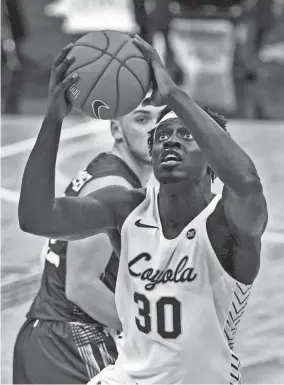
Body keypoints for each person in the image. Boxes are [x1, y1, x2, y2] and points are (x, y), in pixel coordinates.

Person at [18, 35, 268, 384]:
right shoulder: (126, 207)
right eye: (162, 136)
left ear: (212, 158)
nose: (171, 140)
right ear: (151, 155)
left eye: (186, 135)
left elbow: (247, 181)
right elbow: (36, 218)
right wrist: (53, 119)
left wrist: (174, 97)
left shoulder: (226, 224)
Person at [13, 83, 161, 383]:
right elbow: (82, 287)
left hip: (55, 338)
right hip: (67, 342)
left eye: (162, 119)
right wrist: (156, 336)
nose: (155, 130)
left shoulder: (110, 171)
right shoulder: (113, 186)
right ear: (116, 130)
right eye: (142, 119)